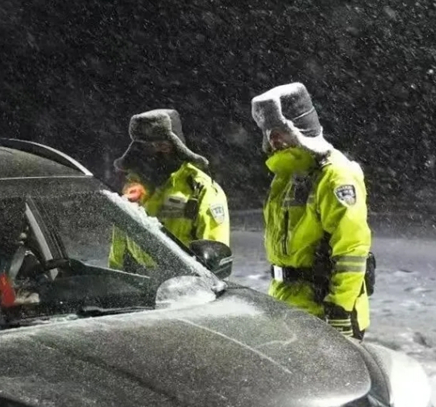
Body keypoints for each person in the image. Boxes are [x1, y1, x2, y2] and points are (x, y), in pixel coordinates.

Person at [251, 82, 374, 340]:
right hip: (288, 304)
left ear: (300, 128)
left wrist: (340, 308)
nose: (274, 139)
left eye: (281, 130)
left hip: (324, 310)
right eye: (269, 132)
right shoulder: (285, 176)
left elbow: (351, 249)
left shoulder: (335, 175)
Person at [108, 109, 230, 272]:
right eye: (146, 145)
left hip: (182, 281)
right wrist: (115, 277)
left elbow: (215, 252)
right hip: (139, 281)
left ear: (177, 146)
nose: (155, 151)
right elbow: (120, 238)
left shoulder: (199, 188)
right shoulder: (133, 186)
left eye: (162, 145)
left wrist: (205, 280)